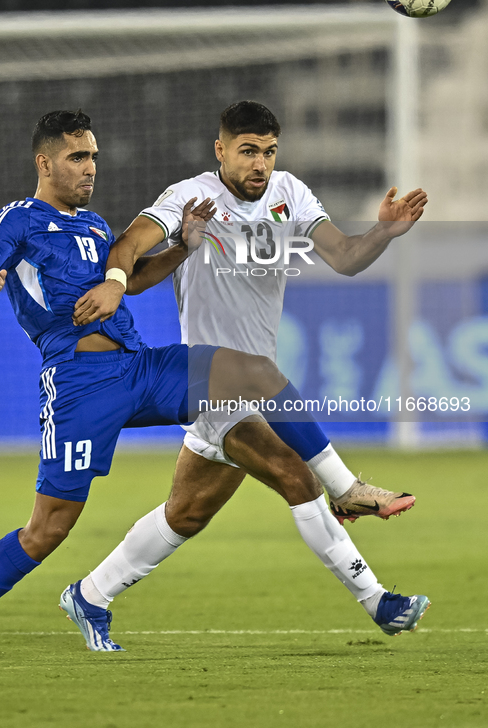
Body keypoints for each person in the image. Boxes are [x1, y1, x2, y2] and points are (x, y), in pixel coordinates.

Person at [0, 109, 428, 662]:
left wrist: (184, 247)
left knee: (253, 374)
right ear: (44, 163)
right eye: (77, 158)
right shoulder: (18, 219)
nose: (90, 168)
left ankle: (347, 490)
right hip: (80, 385)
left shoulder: (91, 224)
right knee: (50, 528)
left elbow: (132, 280)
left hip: (140, 369)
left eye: (93, 156)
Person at [71, 101, 430, 645]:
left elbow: (346, 257)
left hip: (261, 381)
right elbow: (128, 245)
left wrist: (384, 232)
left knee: (185, 514)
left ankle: (89, 594)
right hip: (210, 381)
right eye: (247, 152)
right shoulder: (189, 198)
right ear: (221, 151)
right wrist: (118, 281)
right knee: (295, 474)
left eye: (268, 152)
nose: (260, 164)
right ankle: (376, 594)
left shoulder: (291, 193)